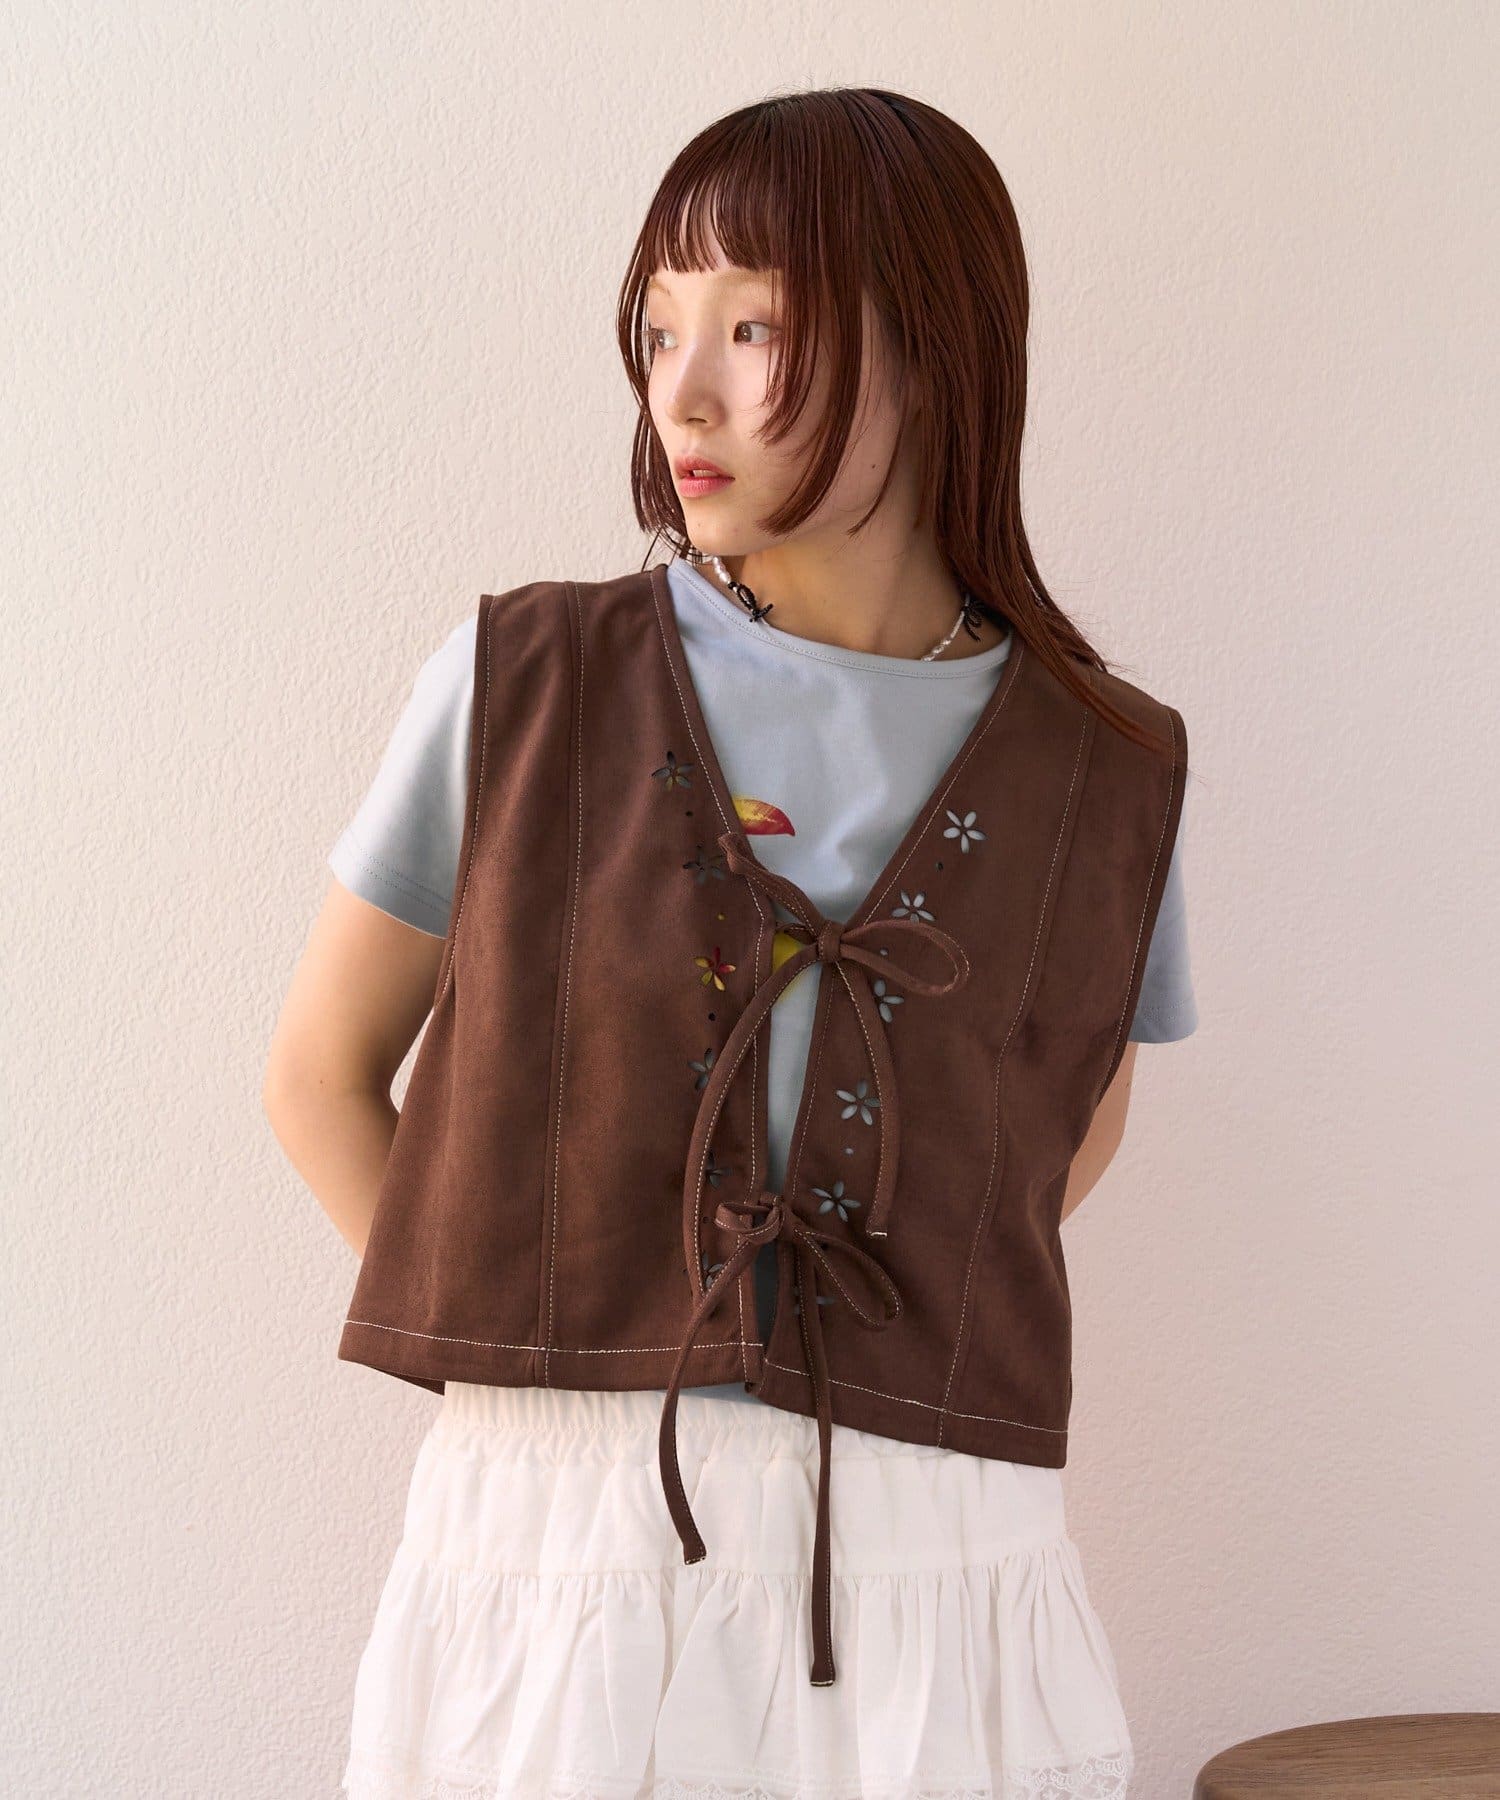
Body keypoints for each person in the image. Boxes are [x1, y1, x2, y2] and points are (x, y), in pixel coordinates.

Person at [265, 85, 1196, 1800]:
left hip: (936, 1550)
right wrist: (537, 1363)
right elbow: (319, 1074)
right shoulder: (526, 685)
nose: (680, 393)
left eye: (755, 328)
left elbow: (1067, 1131)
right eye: (659, 328)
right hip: (563, 1547)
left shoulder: (1108, 769)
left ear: (935, 348)